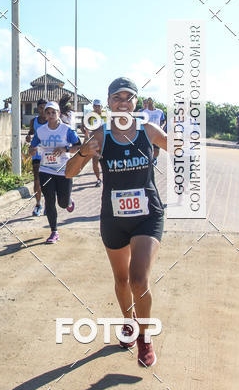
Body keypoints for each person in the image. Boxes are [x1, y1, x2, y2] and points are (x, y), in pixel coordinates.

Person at [65, 77, 167, 368]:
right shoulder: (100, 136)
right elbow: (70, 173)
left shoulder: (148, 130)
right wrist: (85, 151)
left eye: (128, 98)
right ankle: (128, 321)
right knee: (122, 280)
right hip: (113, 218)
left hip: (147, 216)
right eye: (117, 98)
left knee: (138, 279)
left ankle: (145, 338)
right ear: (108, 103)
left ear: (136, 102)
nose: (123, 103)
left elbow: (180, 149)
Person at [29, 101, 81, 243]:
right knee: (50, 202)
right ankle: (54, 232)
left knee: (63, 203)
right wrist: (32, 150)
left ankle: (69, 202)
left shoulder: (67, 130)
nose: (51, 115)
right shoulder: (41, 131)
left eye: (54, 112)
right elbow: (32, 147)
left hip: (64, 170)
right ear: (45, 115)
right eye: (48, 112)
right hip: (46, 170)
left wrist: (65, 149)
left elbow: (79, 146)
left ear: (58, 114)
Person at [25, 99, 48, 216]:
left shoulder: (51, 121)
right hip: (36, 154)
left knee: (49, 180)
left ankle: (48, 203)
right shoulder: (34, 121)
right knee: (37, 179)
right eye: (41, 108)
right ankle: (38, 204)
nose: (43, 110)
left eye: (45, 107)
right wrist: (28, 137)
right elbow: (31, 133)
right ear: (37, 108)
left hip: (50, 155)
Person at [82, 99, 104, 186]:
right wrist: (87, 134)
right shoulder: (90, 116)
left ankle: (108, 178)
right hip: (95, 142)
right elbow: (83, 126)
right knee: (95, 162)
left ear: (101, 107)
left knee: (107, 162)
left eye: (98, 106)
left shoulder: (106, 115)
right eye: (95, 106)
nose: (97, 108)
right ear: (93, 106)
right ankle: (98, 179)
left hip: (106, 143)